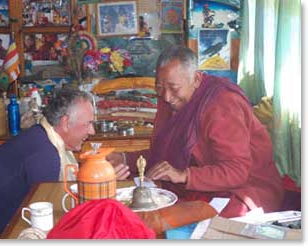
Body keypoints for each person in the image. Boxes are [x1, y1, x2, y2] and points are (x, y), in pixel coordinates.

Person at [108, 46, 284, 218]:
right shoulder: (169, 99)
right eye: (160, 87)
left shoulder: (222, 104)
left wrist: (184, 175)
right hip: (196, 185)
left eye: (174, 88)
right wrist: (124, 158)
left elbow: (236, 171)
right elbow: (165, 154)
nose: (167, 97)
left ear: (197, 79)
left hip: (243, 188)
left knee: (199, 220)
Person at [0, 88, 96, 238]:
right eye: (88, 124)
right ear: (65, 122)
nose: (92, 131)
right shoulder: (44, 154)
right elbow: (47, 219)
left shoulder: (42, 137)